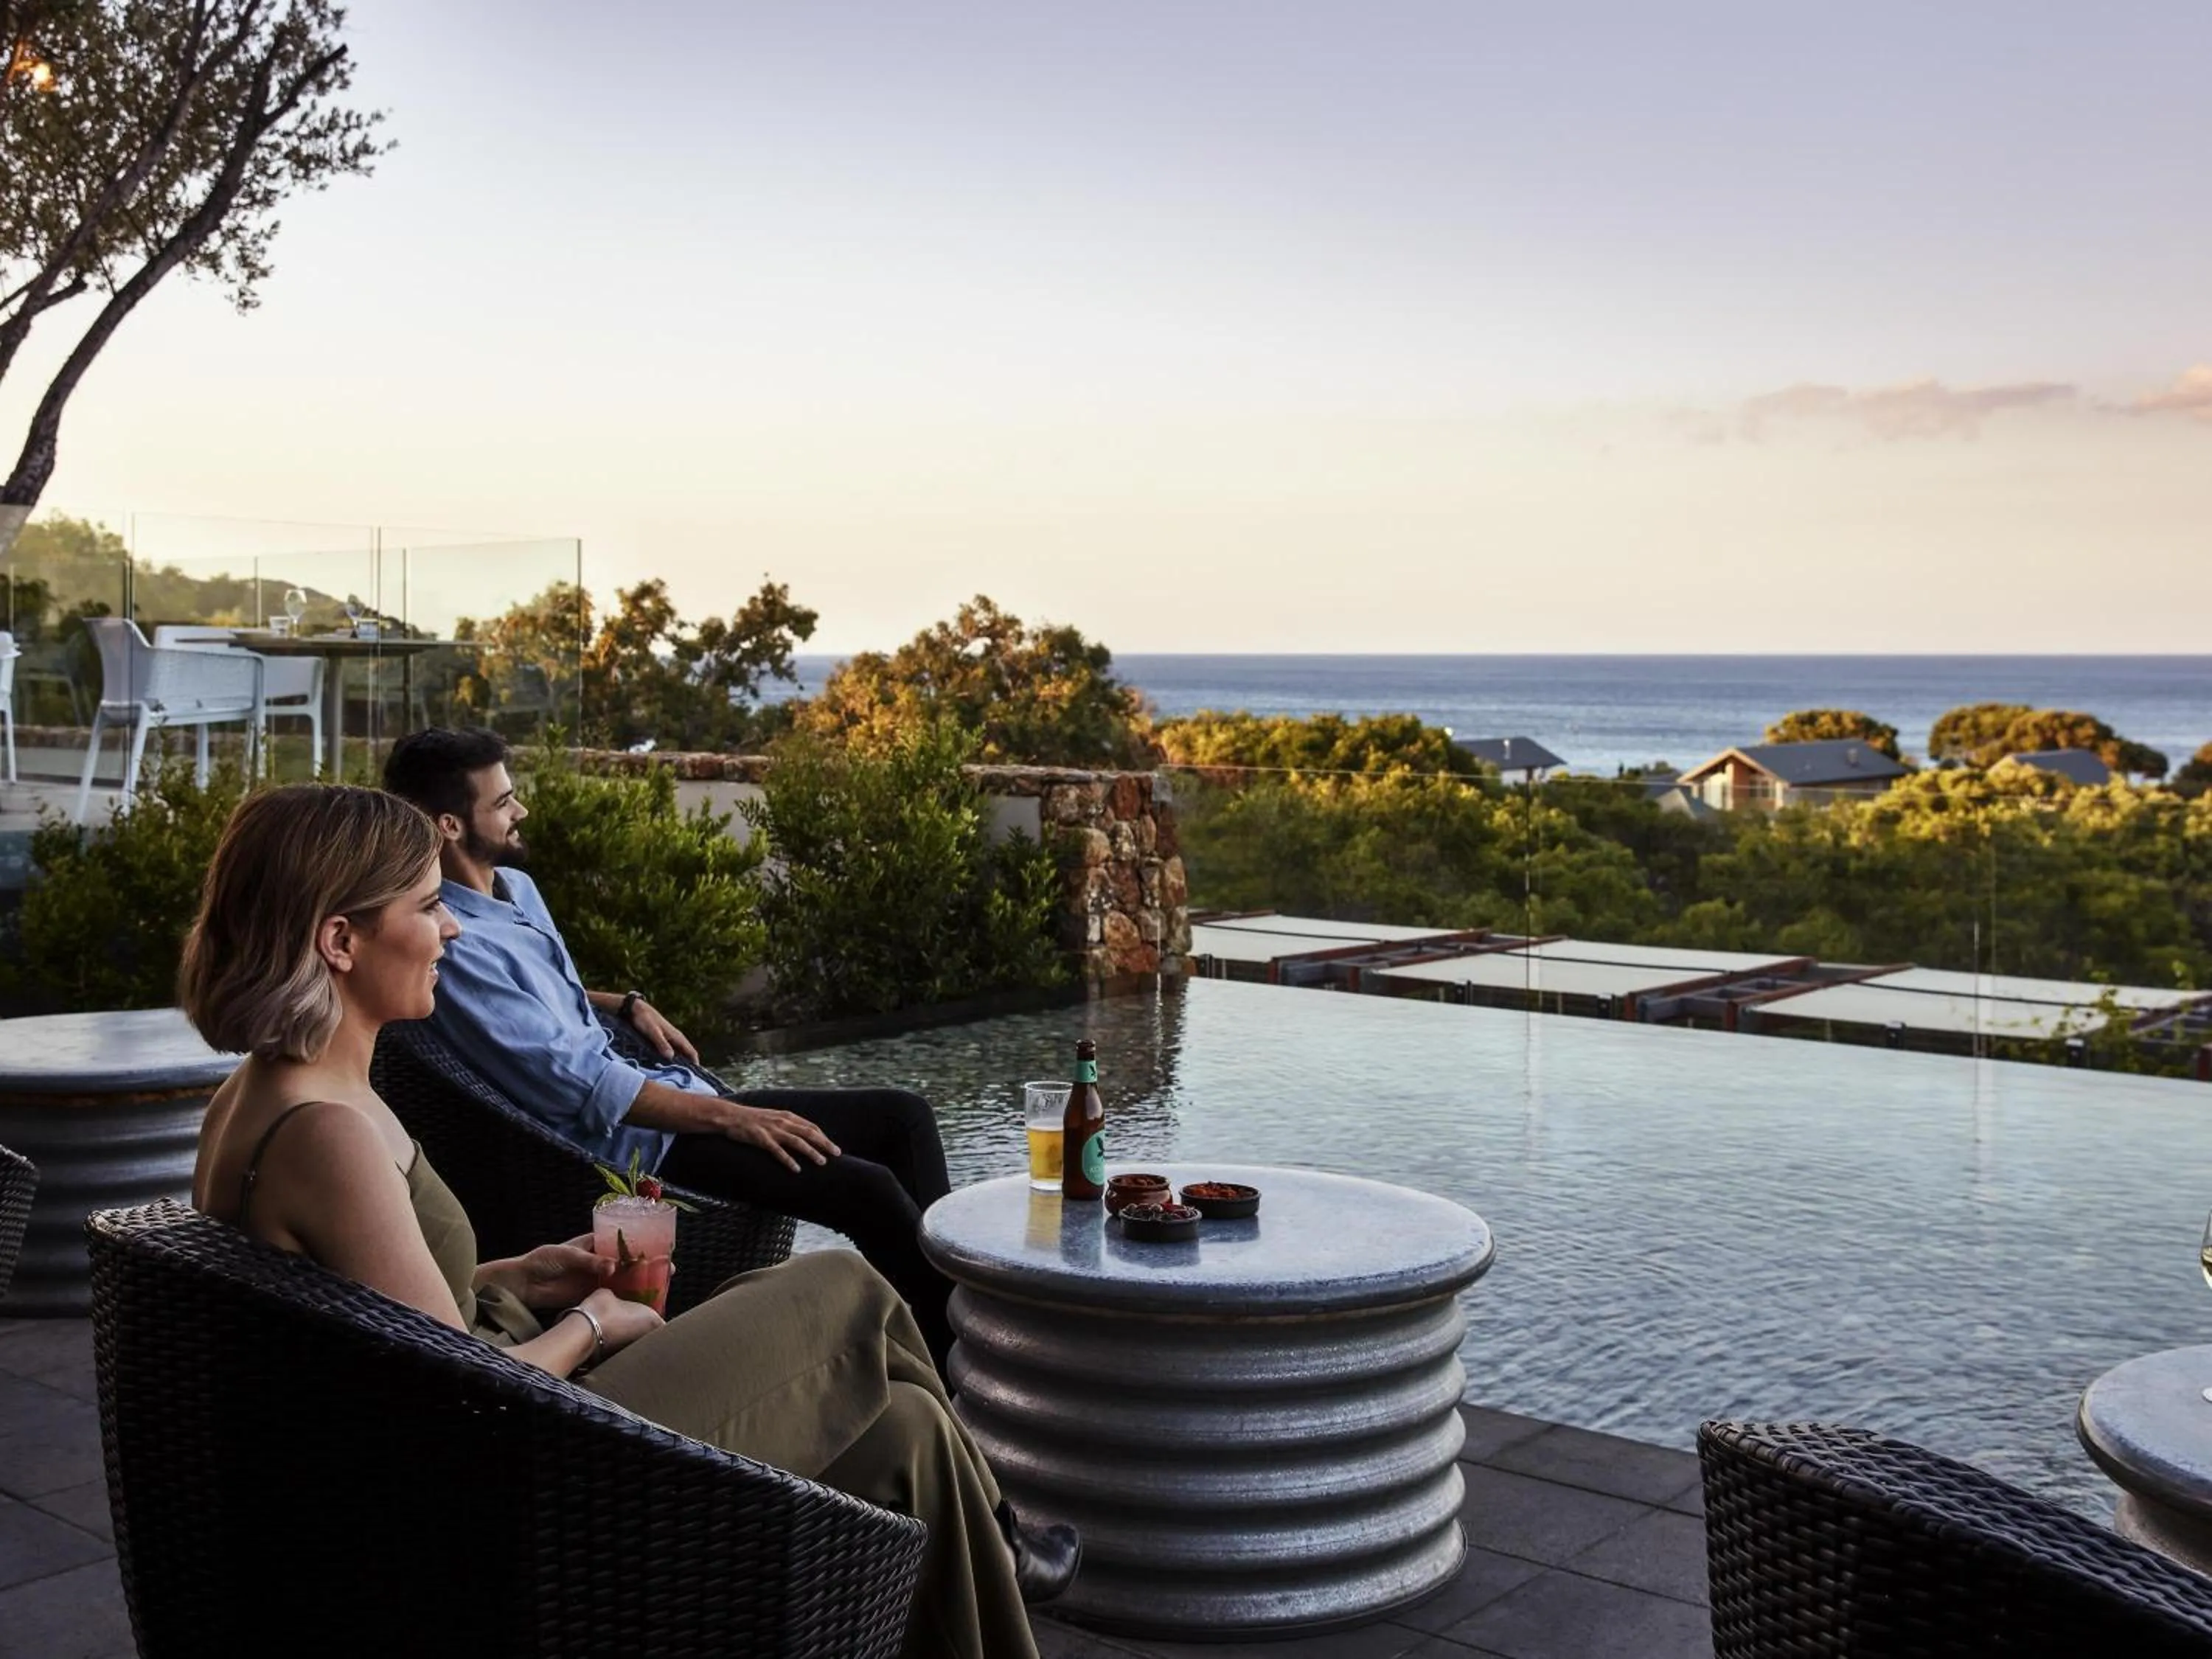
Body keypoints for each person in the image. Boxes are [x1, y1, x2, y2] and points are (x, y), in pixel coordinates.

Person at [181, 785, 1076, 1659]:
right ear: (340, 940)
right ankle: (1004, 1538)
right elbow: (455, 1403)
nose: (451, 926)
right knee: (842, 1287)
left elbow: (372, 1317)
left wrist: (516, 1272)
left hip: (490, 1425)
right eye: (427, 906)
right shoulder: (325, 1132)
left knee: (909, 1432)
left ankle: (992, 1558)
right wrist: (589, 1322)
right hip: (515, 1479)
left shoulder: (267, 1094)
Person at [380, 727, 960, 1366]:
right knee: (868, 1192)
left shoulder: (516, 892)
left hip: (664, 1099)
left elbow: (541, 996)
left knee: (903, 1117)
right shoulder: (455, 946)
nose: (521, 812)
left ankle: (965, 1323)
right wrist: (735, 1115)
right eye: (503, 803)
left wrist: (622, 1003)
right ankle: (959, 1365)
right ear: (450, 825)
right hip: (626, 1145)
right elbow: (583, 1085)